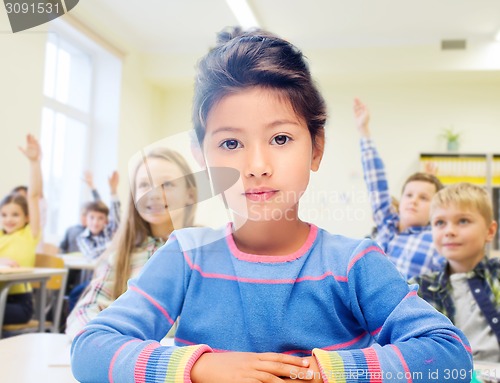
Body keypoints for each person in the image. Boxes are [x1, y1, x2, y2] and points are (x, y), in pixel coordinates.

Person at [71, 27, 472, 383]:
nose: (257, 166)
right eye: (230, 144)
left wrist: (329, 370)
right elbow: (90, 349)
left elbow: (451, 355)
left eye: (280, 139)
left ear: (316, 149)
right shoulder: (185, 257)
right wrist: (201, 368)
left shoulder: (355, 264)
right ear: (202, 157)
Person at [65, 148, 197, 339]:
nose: (154, 193)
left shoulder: (207, 252)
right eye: (144, 185)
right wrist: (107, 341)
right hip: (128, 360)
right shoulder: (121, 256)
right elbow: (83, 313)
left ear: (190, 195)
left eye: (167, 184)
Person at [354, 98, 445, 279]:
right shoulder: (386, 223)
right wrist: (364, 131)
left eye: (424, 198)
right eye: (409, 195)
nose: (413, 200)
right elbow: (376, 181)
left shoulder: (436, 241)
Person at [410, 182, 500, 362]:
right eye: (440, 223)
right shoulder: (419, 289)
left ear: (490, 231)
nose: (449, 231)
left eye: (463, 221)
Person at [0, 134, 42, 324]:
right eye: (4, 215)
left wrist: (34, 163)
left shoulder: (29, 234)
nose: (9, 219)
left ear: (26, 217)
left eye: (15, 215)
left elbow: (33, 196)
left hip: (19, 303)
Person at [76, 170, 121, 261]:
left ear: (105, 220)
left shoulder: (109, 230)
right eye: (92, 218)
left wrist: (113, 191)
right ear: (85, 219)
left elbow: (114, 213)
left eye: (100, 218)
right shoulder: (82, 238)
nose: (95, 222)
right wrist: (112, 245)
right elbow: (91, 254)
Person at [59, 171, 102, 254]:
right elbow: (62, 249)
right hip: (72, 264)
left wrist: (92, 186)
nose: (84, 218)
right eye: (83, 215)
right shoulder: (71, 230)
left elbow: (100, 206)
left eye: (87, 215)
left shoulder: (94, 230)